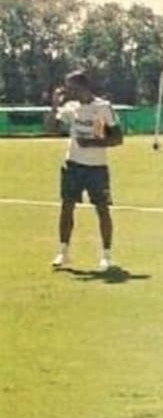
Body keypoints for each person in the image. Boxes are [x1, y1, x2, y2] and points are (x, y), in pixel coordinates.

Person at [45, 70, 123, 271]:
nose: (67, 91)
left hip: (96, 168)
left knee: (102, 209)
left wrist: (91, 143)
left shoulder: (103, 107)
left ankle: (106, 256)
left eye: (70, 87)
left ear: (83, 87)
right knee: (67, 207)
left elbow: (117, 138)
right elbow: (50, 129)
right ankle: (63, 252)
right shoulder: (71, 108)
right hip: (72, 165)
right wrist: (54, 105)